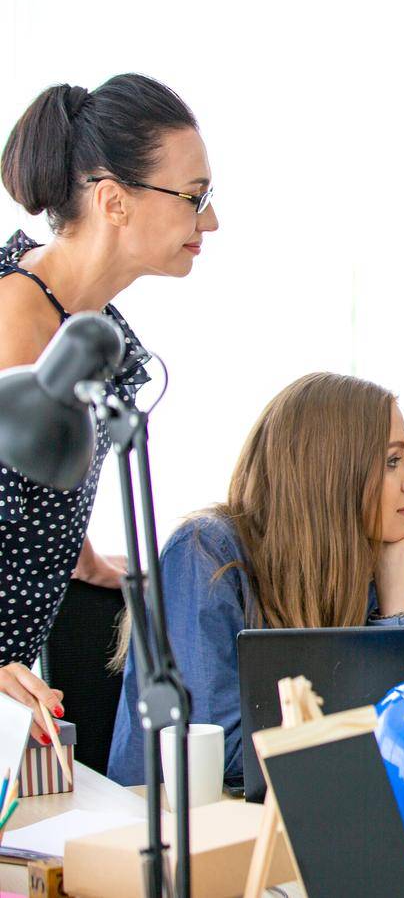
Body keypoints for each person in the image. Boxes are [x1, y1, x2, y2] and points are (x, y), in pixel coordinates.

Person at [0, 75, 216, 741]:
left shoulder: (93, 327)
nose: (209, 221)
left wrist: (83, 555)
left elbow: (30, 479)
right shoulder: (13, 322)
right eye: (194, 197)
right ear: (113, 200)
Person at [106, 373, 404, 786]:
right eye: (392, 460)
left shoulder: (351, 563)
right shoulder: (204, 551)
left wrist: (396, 578)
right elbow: (220, 752)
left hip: (297, 811)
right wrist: (363, 734)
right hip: (188, 829)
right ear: (328, 472)